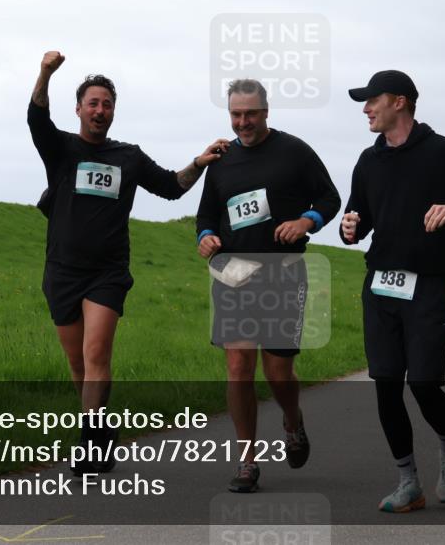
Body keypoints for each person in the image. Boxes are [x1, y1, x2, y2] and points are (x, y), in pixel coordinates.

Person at [27, 50, 228, 473]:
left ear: (114, 111)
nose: (101, 110)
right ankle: (100, 429)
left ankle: (87, 444)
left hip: (108, 272)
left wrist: (199, 162)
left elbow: (172, 187)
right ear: (79, 109)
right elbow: (36, 118)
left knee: (96, 352)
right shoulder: (61, 149)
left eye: (107, 104)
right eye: (93, 103)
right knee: (77, 363)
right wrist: (45, 73)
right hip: (62, 270)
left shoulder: (128, 157)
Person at [339, 70, 445, 513]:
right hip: (381, 285)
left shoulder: (443, 153)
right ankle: (408, 481)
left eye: (372, 100)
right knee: (386, 385)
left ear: (399, 102)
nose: (365, 108)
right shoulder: (368, 161)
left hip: (429, 284)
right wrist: (349, 226)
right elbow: (359, 216)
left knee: (425, 382)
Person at [196, 79, 341, 493]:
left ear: (266, 111)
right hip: (234, 273)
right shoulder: (222, 161)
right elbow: (206, 214)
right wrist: (204, 236)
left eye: (250, 114)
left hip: (281, 272)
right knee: (239, 368)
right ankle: (247, 461)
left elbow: (329, 198)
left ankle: (292, 422)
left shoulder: (294, 151)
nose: (243, 122)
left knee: (278, 371)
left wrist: (305, 222)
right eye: (235, 115)